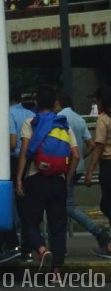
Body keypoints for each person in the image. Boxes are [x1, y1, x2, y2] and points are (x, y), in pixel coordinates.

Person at [17, 86, 80, 275]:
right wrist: (66, 178)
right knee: (58, 226)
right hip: (58, 181)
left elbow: (24, 152)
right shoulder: (63, 123)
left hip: (35, 179)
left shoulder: (31, 122)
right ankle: (57, 271)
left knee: (28, 220)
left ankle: (42, 250)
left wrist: (19, 178)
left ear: (36, 103)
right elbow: (75, 155)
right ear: (55, 104)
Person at [54, 90, 109, 249]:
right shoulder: (79, 118)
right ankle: (60, 246)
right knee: (64, 206)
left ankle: (98, 232)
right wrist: (79, 159)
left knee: (66, 206)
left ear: (57, 102)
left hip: (65, 168)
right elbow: (91, 145)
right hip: (78, 168)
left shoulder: (59, 118)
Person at [0, 87, 36, 263]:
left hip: (14, 161)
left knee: (11, 203)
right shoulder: (30, 113)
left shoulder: (7, 113)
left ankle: (12, 244)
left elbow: (13, 143)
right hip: (32, 161)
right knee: (28, 205)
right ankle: (28, 248)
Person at [85, 86, 111, 258]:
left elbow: (99, 146)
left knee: (107, 204)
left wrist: (90, 170)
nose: (94, 102)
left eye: (96, 99)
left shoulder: (103, 120)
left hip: (108, 164)